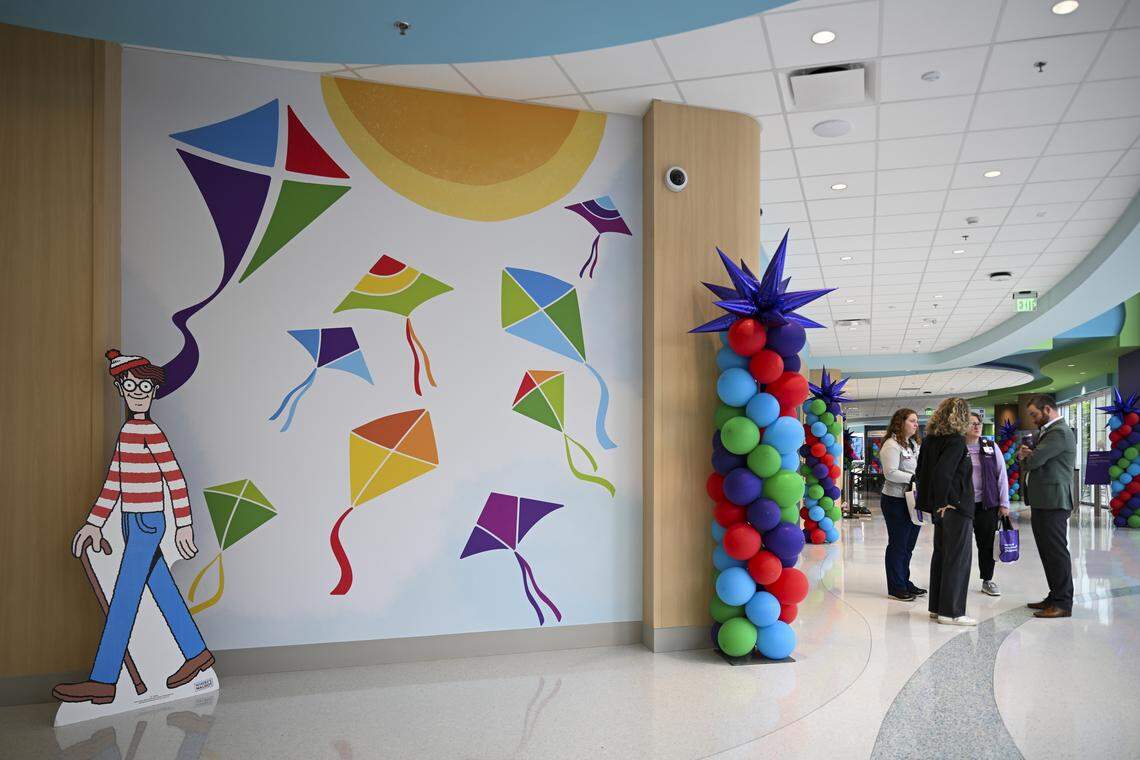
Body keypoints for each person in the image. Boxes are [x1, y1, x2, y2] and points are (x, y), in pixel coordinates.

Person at [53, 350, 214, 705]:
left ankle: (104, 679)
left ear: (153, 392)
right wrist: (95, 523)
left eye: (145, 385)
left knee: (124, 598)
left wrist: (183, 526)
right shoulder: (129, 431)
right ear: (120, 389)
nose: (138, 391)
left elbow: (175, 478)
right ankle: (197, 651)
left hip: (147, 523)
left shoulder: (151, 432)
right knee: (163, 590)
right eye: (131, 385)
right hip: (131, 521)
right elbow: (115, 481)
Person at [915, 397, 975, 626]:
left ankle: (937, 607)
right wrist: (945, 502)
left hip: (940, 508)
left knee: (941, 555)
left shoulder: (931, 440)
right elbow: (943, 474)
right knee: (957, 559)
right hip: (955, 507)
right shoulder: (956, 442)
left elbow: (921, 472)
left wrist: (933, 503)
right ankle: (952, 612)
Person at [1018, 394, 1076, 619]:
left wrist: (1026, 457)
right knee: (1047, 552)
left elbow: (1033, 461)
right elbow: (1037, 459)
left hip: (1053, 502)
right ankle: (1054, 596)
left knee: (1056, 552)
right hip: (1044, 501)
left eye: (1034, 414)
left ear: (1048, 409)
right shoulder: (1048, 432)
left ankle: (1062, 603)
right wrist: (1030, 456)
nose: (1032, 419)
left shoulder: (1059, 432)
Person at [879, 408, 924, 601]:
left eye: (916, 421)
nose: (916, 424)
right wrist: (914, 477)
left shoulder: (913, 444)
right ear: (901, 422)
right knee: (898, 544)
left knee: (908, 545)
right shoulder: (891, 444)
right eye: (912, 421)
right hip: (895, 501)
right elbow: (890, 473)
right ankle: (896, 586)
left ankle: (905, 581)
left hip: (912, 499)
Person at [966, 413, 1011, 596]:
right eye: (972, 424)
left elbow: (1002, 476)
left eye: (979, 423)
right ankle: (958, 579)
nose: (977, 427)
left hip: (987, 504)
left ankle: (987, 579)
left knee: (986, 544)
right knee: (961, 545)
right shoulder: (958, 448)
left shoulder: (990, 447)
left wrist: (1004, 503)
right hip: (963, 504)